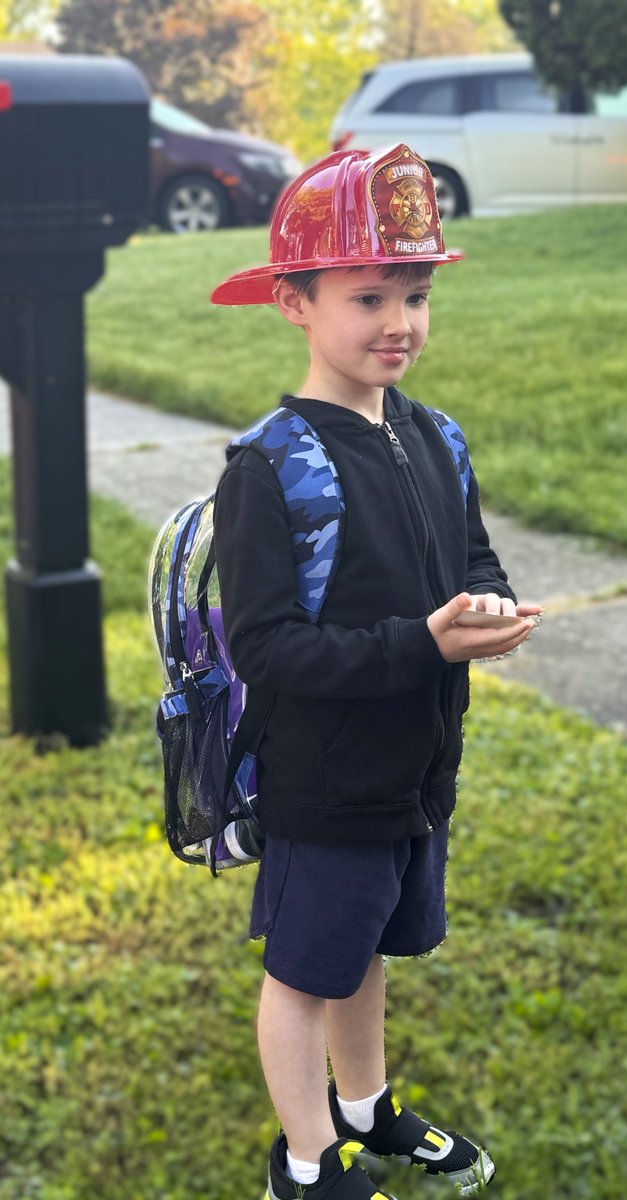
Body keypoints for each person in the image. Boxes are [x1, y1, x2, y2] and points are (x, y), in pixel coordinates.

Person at [211, 144, 541, 1200]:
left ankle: (366, 1109)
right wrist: (421, 646)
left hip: (415, 769)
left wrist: (485, 604)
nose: (399, 321)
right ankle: (306, 1164)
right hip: (326, 779)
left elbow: (471, 557)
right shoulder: (269, 468)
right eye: (368, 295)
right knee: (306, 974)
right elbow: (263, 649)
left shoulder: (435, 438)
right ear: (294, 304)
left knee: (366, 954)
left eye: (415, 292)